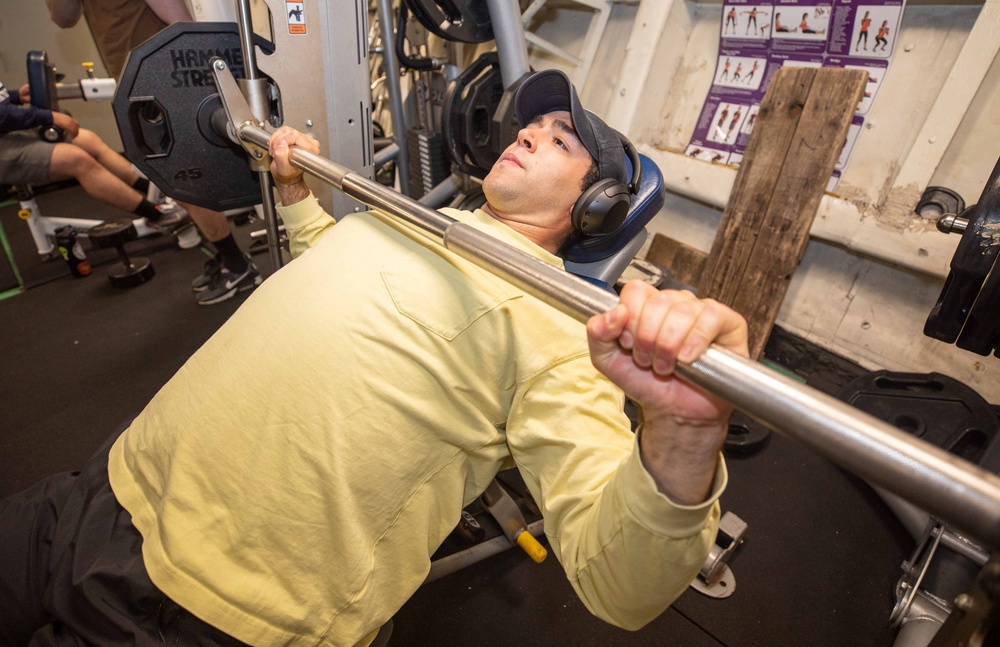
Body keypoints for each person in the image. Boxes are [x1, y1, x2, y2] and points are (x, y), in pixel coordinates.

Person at [0, 69, 749, 646]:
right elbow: (335, 265)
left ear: (598, 206)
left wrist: (679, 438)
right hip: (108, 482)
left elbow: (619, 583)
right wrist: (295, 195)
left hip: (200, 608)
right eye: (532, 125)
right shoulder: (418, 217)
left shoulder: (562, 324)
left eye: (560, 140)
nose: (526, 134)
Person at [46, 0, 260, 305]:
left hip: (165, 77)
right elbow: (63, 18)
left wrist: (200, 73)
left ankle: (238, 266)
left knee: (187, 180)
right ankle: (228, 258)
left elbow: (180, 23)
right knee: (172, 180)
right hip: (136, 81)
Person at [0, 79, 185, 230]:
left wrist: (15, 95)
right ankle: (157, 216)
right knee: (75, 159)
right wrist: (49, 117)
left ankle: (158, 192)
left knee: (87, 140)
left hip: (7, 131)